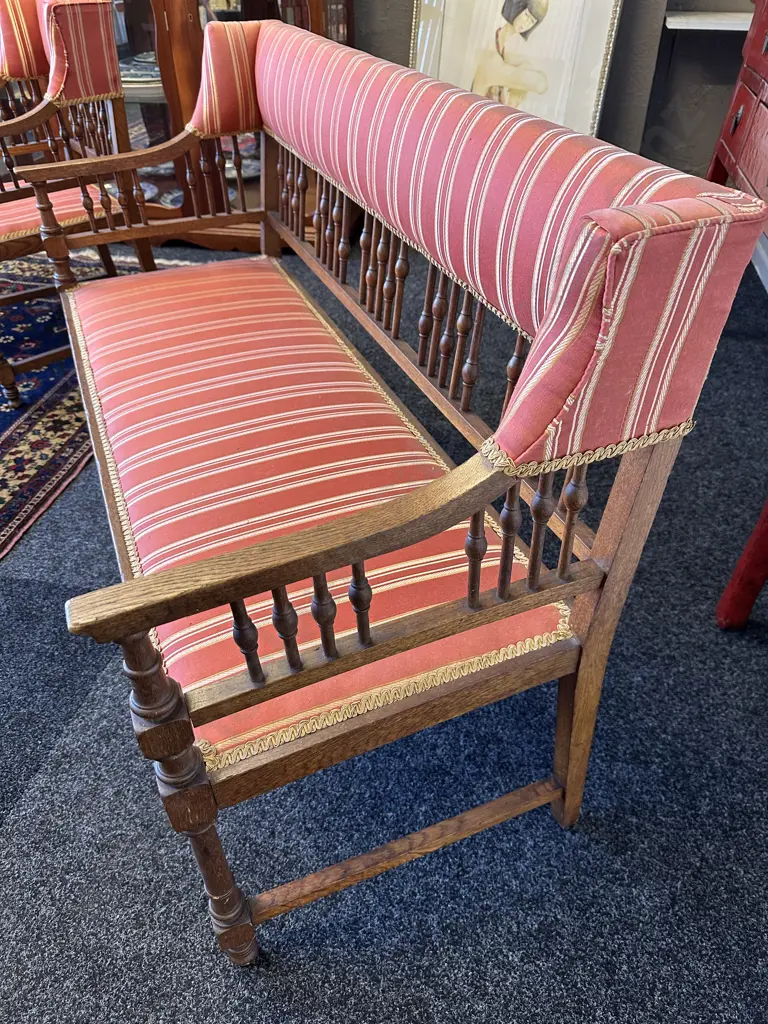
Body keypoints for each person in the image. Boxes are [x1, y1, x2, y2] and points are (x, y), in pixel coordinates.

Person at [472, 0, 550, 109]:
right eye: (526, 14)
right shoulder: (492, 58)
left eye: (532, 21)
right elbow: (540, 84)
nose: (526, 23)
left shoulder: (503, 47)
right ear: (517, 6)